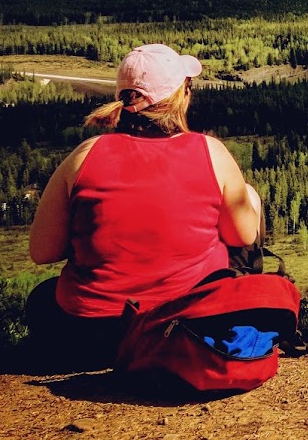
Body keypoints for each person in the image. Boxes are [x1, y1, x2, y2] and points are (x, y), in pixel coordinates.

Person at [27, 43, 262, 367]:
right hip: (187, 328)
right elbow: (244, 236)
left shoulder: (83, 156)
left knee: (41, 300)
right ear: (180, 96)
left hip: (89, 335)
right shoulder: (211, 152)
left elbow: (43, 251)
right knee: (247, 196)